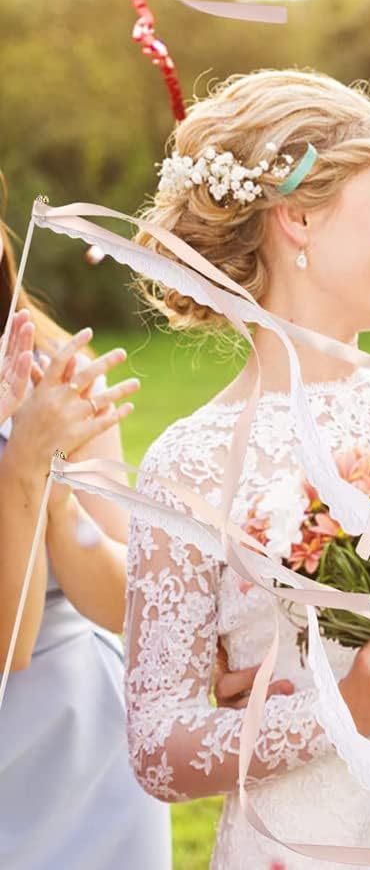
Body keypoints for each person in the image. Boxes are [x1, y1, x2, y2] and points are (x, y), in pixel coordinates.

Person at [125, 69, 370, 868]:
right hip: (308, 847)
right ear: (299, 215)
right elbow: (156, 746)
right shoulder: (191, 464)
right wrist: (335, 709)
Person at [0, 174, 170, 869]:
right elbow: (7, 649)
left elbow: (117, 599)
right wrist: (22, 468)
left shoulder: (56, 365)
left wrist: (50, 483)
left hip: (81, 746)